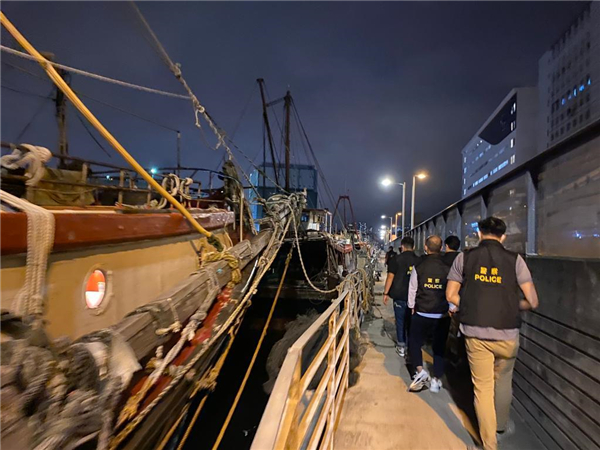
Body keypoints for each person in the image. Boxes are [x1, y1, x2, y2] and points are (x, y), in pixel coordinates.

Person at [446, 217, 539, 450]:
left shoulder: (464, 258)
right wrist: (512, 306)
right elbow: (532, 301)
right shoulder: (516, 260)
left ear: (479, 234)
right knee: (504, 380)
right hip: (508, 333)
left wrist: (470, 306)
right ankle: (500, 425)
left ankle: (489, 444)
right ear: (503, 236)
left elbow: (450, 295)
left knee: (483, 388)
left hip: (476, 333)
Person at [407, 235, 451, 393]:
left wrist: (411, 306)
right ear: (441, 248)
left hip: (421, 312)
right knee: (439, 347)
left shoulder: (419, 265)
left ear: (425, 247)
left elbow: (413, 288)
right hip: (441, 314)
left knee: (415, 342)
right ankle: (436, 380)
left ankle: (420, 371)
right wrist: (451, 307)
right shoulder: (448, 267)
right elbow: (452, 290)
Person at [383, 237, 420, 357]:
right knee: (411, 322)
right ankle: (410, 346)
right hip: (415, 297)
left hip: (399, 295)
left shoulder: (396, 259)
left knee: (400, 321)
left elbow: (390, 277)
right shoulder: (419, 260)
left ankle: (401, 346)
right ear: (413, 247)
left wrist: (385, 293)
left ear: (402, 247)